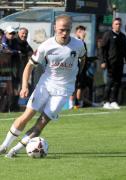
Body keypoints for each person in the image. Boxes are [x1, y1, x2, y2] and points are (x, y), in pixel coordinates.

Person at [0, 14, 86, 158]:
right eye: (61, 30)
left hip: (64, 90)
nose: (64, 33)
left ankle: (15, 150)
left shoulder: (78, 45)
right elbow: (29, 66)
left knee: (42, 122)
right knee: (26, 116)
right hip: (45, 85)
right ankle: (4, 146)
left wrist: (77, 74)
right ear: (55, 28)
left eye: (67, 30)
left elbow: (83, 59)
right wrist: (24, 86)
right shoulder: (46, 46)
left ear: (71, 29)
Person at [99, 17, 126, 109]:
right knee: (110, 82)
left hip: (120, 63)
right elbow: (102, 48)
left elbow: (125, 50)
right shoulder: (108, 34)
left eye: (119, 24)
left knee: (117, 83)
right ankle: (105, 101)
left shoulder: (123, 36)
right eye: (116, 24)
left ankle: (113, 101)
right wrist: (103, 61)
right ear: (113, 25)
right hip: (110, 63)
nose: (118, 25)